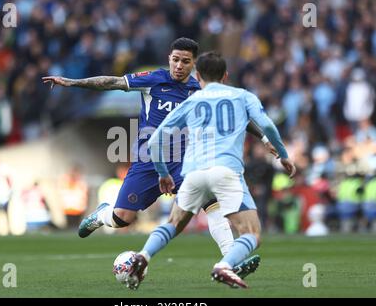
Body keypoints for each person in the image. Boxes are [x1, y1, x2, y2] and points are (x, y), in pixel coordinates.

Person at [42, 38, 275, 269]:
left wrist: (265, 139)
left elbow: (236, 113)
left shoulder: (200, 88)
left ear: (193, 64)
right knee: (122, 218)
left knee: (211, 203)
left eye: (185, 61)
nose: (179, 66)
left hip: (184, 163)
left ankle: (230, 262)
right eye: (175, 60)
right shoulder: (153, 79)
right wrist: (72, 82)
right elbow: (110, 81)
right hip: (148, 162)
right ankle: (102, 215)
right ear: (169, 59)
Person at [126, 51, 296, 290]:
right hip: (226, 172)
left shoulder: (190, 102)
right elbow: (267, 124)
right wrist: (283, 155)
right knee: (251, 232)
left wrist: (163, 173)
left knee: (173, 224)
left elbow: (155, 141)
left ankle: (143, 255)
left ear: (198, 75)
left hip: (193, 173)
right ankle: (224, 265)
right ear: (225, 75)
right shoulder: (242, 96)